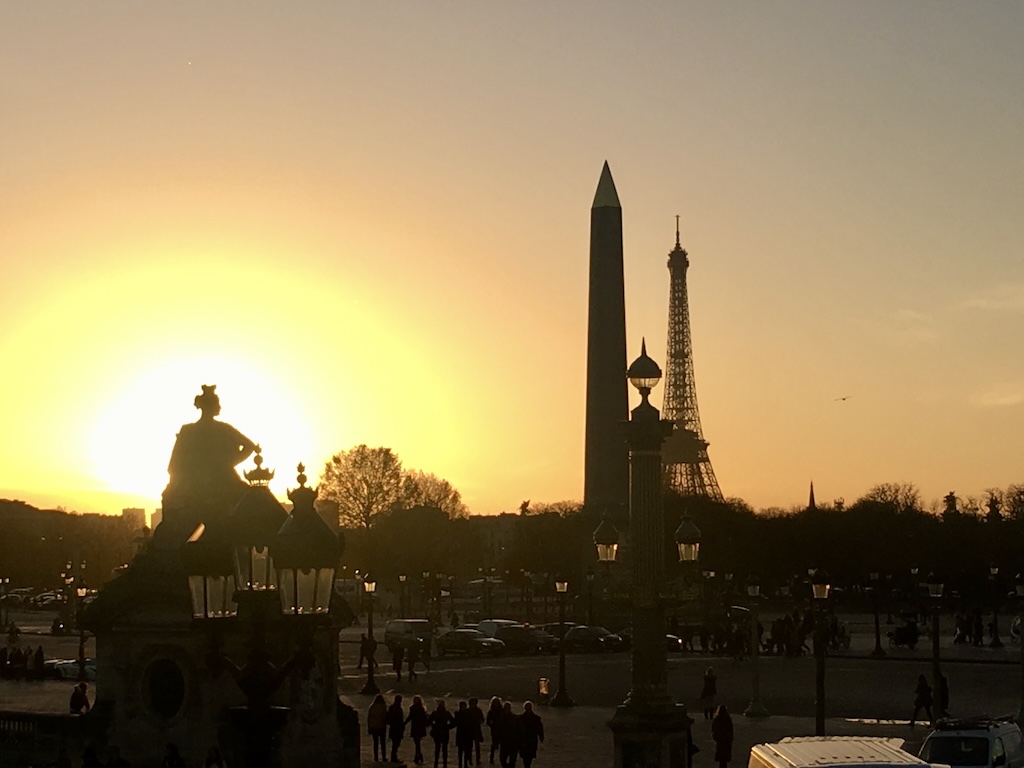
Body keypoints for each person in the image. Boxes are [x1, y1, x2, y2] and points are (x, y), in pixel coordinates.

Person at [426, 699, 456, 768]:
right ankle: (443, 764)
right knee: (442, 749)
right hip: (442, 733)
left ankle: (438, 764)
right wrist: (448, 727)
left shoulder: (437, 713)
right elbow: (453, 723)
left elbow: (428, 722)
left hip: (440, 733)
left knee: (439, 749)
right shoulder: (445, 713)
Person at [517, 702, 544, 768]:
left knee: (529, 757)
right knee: (525, 757)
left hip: (531, 740)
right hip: (524, 740)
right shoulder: (521, 718)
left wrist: (541, 736)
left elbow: (540, 728)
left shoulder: (535, 718)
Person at [406, 694, 428, 765]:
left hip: (417, 727)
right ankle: (418, 756)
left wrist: (404, 723)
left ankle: (418, 756)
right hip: (418, 727)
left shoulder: (415, 708)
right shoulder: (420, 709)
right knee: (417, 743)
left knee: (417, 743)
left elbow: (410, 717)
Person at [498, 701, 520, 768]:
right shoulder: (501, 718)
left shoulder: (515, 718)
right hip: (505, 741)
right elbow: (498, 730)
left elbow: (520, 729)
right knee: (503, 759)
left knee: (511, 760)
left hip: (513, 741)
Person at [368, 693, 389, 761]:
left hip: (374, 726)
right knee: (383, 743)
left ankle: (376, 757)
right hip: (381, 726)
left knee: (375, 743)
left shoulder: (372, 707)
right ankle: (383, 757)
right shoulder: (383, 707)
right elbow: (385, 716)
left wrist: (369, 727)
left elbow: (369, 717)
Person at [387, 694, 406, 763]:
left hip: (393, 728)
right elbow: (399, 719)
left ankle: (393, 757)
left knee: (394, 744)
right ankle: (394, 758)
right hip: (397, 729)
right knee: (396, 744)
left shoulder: (391, 707)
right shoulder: (398, 708)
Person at [455, 701, 474, 768]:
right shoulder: (458, 714)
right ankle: (460, 764)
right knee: (461, 751)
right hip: (461, 734)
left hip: (467, 734)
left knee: (466, 751)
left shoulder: (468, 714)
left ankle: (465, 763)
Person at [468, 697, 485, 766]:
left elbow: (482, 720)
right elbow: (482, 720)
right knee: (474, 746)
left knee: (472, 746)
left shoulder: (469, 711)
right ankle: (473, 760)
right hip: (474, 730)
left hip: (473, 730)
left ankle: (472, 760)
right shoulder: (478, 711)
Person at [486, 697, 503, 765]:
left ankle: (500, 757)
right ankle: (491, 758)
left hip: (501, 729)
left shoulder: (501, 711)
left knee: (500, 744)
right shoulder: (491, 712)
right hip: (494, 729)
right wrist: (492, 725)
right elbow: (488, 721)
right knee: (494, 744)